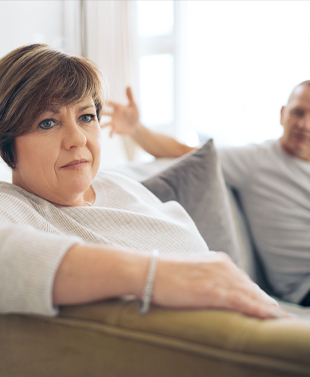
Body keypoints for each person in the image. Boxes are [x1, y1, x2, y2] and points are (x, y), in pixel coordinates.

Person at [103, 83, 310, 307]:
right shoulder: (257, 160)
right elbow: (181, 151)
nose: (304, 124)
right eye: (298, 112)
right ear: (282, 114)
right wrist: (136, 129)